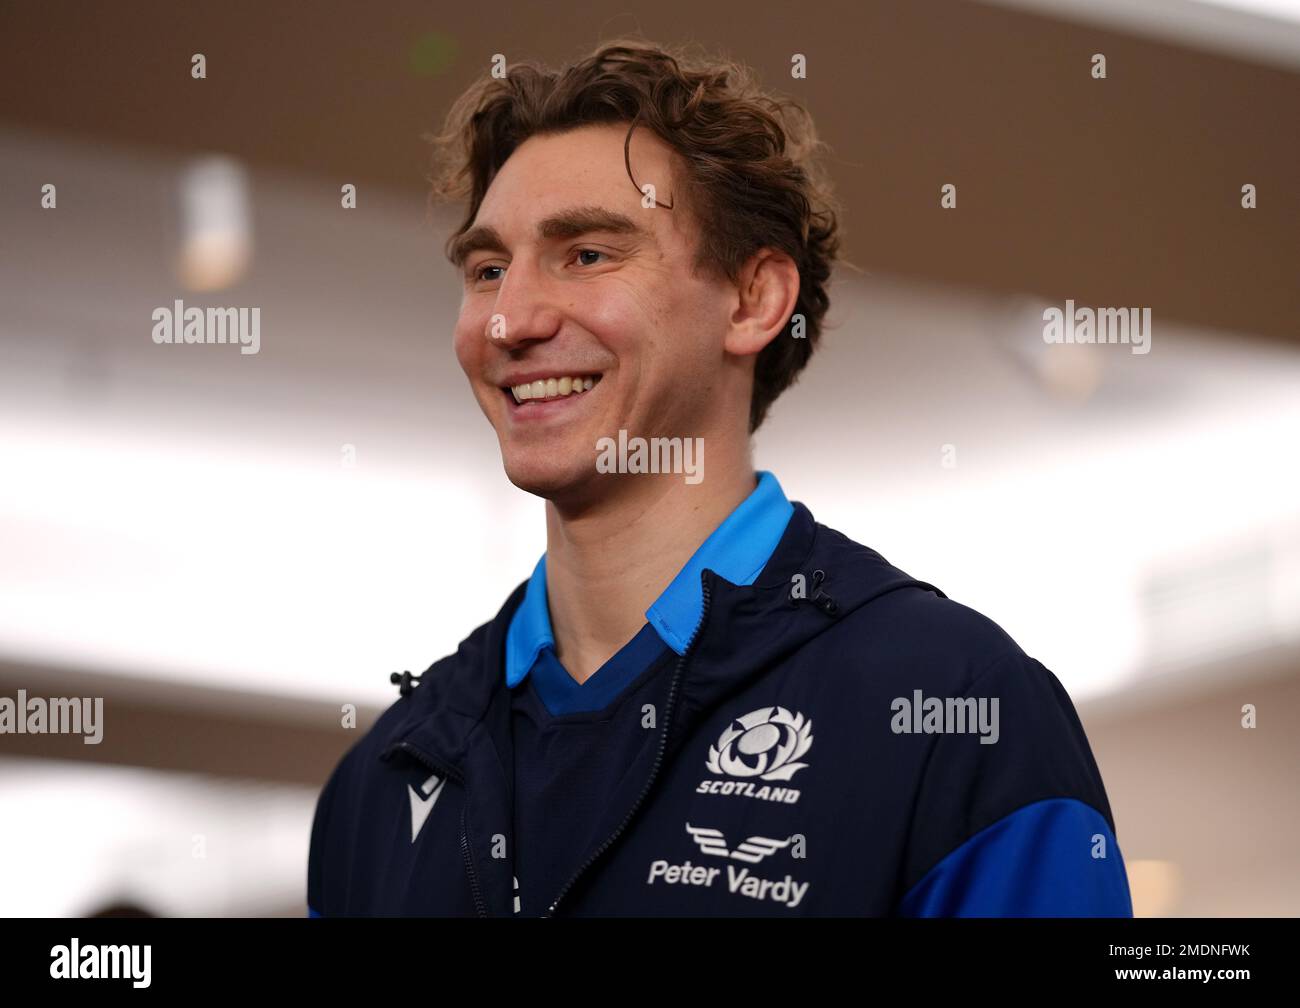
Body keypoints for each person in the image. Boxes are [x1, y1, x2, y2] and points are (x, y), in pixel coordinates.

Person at [307, 38, 1132, 917]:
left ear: (752, 302)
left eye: (587, 254)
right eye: (487, 270)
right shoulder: (389, 773)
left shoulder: (958, 708)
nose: (510, 319)